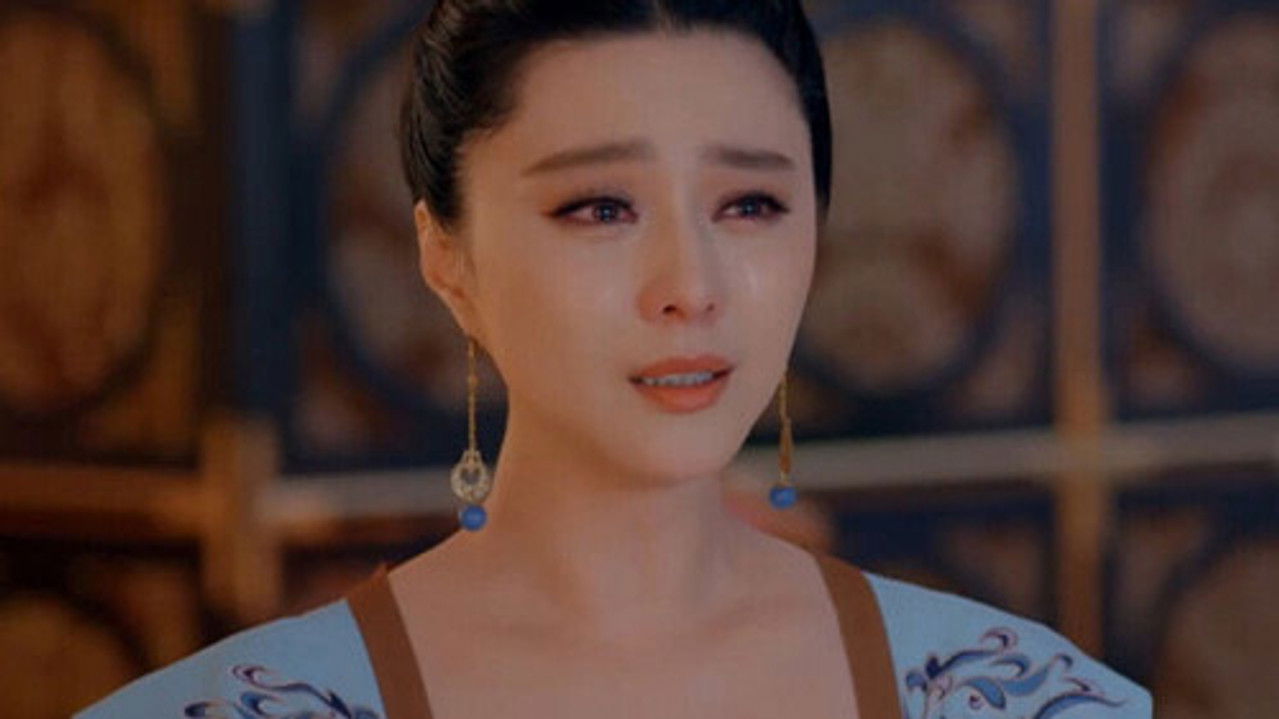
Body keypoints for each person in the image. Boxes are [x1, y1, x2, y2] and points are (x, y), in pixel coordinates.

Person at [77, 1, 1151, 717]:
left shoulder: (1023, 695)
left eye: (749, 203)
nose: (691, 283)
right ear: (446, 256)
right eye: (599, 206)